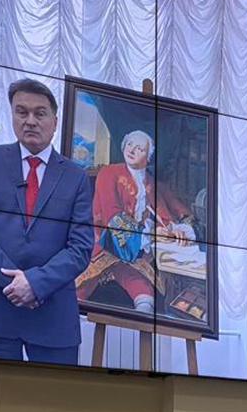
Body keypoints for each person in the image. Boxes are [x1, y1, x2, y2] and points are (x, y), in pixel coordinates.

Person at [0, 78, 95, 364]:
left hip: (53, 320)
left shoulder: (77, 177)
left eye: (40, 113)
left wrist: (34, 283)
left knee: (54, 396)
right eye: (22, 112)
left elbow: (81, 248)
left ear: (54, 122)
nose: (30, 121)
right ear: (12, 116)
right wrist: (14, 284)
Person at [76, 130, 197, 315]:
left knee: (144, 290)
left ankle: (142, 318)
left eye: (139, 148)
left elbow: (164, 216)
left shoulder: (151, 184)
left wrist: (174, 230)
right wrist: (149, 235)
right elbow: (112, 217)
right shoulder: (109, 173)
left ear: (148, 158)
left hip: (136, 254)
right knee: (80, 289)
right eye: (130, 144)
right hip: (103, 245)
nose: (132, 150)